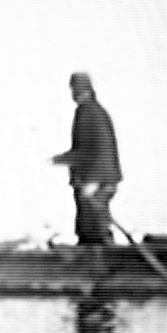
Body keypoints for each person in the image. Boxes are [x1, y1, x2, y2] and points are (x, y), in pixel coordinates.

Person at [52, 72, 122, 246]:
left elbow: (96, 149)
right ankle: (95, 253)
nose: (74, 93)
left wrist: (93, 181)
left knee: (94, 227)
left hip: (96, 180)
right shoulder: (92, 111)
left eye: (75, 89)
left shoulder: (89, 113)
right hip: (96, 178)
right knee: (90, 225)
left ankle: (101, 257)